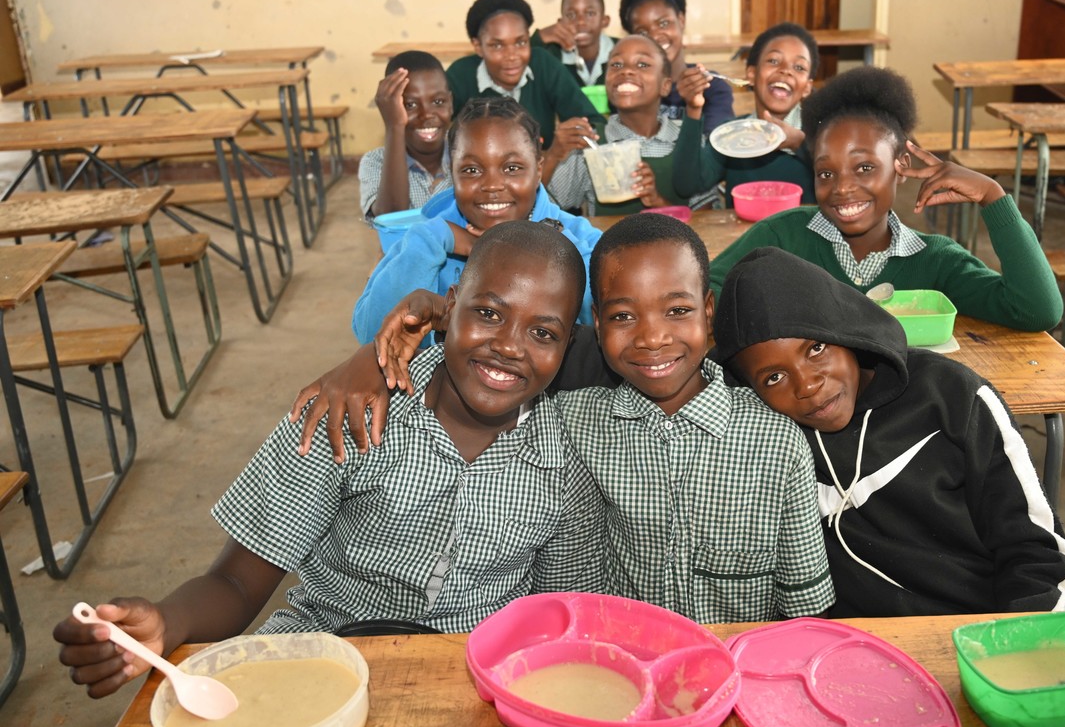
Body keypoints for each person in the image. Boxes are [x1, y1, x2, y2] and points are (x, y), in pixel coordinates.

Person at [54, 222, 606, 699]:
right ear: (450, 303)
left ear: (568, 345)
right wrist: (167, 622)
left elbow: (556, 614)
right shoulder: (347, 412)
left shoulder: (569, 460)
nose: (508, 345)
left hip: (473, 676)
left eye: (542, 333)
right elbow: (237, 582)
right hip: (320, 649)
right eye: (487, 312)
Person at [294, 215, 836, 625]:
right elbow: (501, 355)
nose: (652, 338)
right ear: (596, 326)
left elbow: (807, 612)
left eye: (677, 310)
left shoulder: (776, 440)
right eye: (623, 316)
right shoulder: (573, 421)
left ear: (708, 313)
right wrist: (380, 355)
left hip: (740, 674)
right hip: (619, 665)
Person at [713, 246, 1065, 616]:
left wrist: (1018, 636)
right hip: (850, 640)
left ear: (844, 328)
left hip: (977, 624)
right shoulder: (768, 437)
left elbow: (1036, 553)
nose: (807, 385)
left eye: (816, 348)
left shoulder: (951, 396)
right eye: (774, 377)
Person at [707, 66, 1064, 332]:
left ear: (902, 166)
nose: (842, 187)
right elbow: (707, 295)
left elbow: (1037, 310)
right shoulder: (783, 237)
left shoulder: (935, 262)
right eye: (826, 173)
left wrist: (992, 196)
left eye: (864, 168)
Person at [357, 96, 601, 341]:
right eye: (471, 170)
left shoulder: (581, 241)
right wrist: (434, 237)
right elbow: (372, 335)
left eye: (512, 168)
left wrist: (556, 248)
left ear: (538, 170)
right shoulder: (425, 240)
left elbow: (604, 325)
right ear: (452, 173)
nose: (492, 185)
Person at [545, 35, 718, 216]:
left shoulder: (688, 137)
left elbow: (703, 221)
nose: (626, 71)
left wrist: (657, 202)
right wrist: (553, 156)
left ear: (665, 86)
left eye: (642, 64)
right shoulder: (590, 143)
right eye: (616, 64)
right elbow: (539, 208)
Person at [672, 22, 819, 206]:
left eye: (799, 67)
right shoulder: (731, 136)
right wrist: (693, 109)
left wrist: (799, 144)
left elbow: (837, 176)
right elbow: (686, 185)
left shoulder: (821, 134)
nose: (786, 70)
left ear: (807, 87)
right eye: (773, 61)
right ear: (751, 74)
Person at [446, 0, 604, 157]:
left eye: (521, 42)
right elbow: (435, 123)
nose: (512, 56)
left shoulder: (543, 64)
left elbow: (594, 122)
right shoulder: (460, 75)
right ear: (478, 46)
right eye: (497, 45)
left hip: (544, 169)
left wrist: (579, 133)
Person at [618, 0, 735, 133]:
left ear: (681, 20)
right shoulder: (629, 89)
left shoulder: (711, 87)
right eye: (642, 32)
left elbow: (714, 144)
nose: (655, 36)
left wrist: (693, 108)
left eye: (663, 23)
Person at [358, 50, 453, 224]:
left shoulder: (466, 153)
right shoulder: (375, 161)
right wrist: (394, 126)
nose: (426, 114)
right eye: (410, 105)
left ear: (451, 103)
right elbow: (391, 218)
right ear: (390, 110)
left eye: (438, 102)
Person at [530, 0, 616, 88]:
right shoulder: (551, 56)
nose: (580, 21)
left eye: (590, 13)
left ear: (604, 20)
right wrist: (539, 38)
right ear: (560, 22)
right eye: (571, 15)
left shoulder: (622, 50)